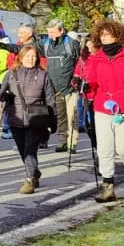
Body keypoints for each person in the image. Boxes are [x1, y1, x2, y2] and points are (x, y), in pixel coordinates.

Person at [77, 20, 124, 203]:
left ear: (117, 35)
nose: (104, 38)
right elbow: (91, 82)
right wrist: (85, 88)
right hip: (102, 106)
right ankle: (108, 186)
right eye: (102, 35)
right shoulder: (96, 58)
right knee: (104, 148)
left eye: (108, 34)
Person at [0, 45, 57, 194]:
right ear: (20, 57)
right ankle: (34, 172)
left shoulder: (43, 75)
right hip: (16, 118)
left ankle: (29, 180)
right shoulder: (11, 74)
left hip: (36, 119)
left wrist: (52, 121)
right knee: (23, 151)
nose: (30, 59)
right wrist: (4, 96)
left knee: (30, 150)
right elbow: (0, 93)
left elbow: (51, 100)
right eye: (27, 56)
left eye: (33, 56)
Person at [42, 20, 81, 153]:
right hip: (55, 88)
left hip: (70, 87)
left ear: (61, 31)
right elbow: (29, 48)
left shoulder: (72, 44)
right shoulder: (46, 44)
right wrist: (10, 47)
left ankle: (72, 142)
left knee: (72, 115)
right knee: (60, 117)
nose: (50, 35)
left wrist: (77, 77)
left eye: (53, 32)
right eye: (49, 32)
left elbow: (80, 62)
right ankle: (62, 141)